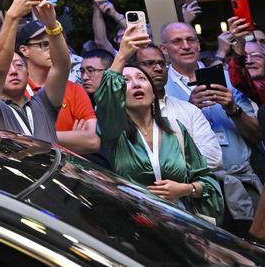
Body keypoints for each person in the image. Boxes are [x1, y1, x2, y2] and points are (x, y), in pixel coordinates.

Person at [94, 24, 223, 222]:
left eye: (141, 78)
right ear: (118, 94)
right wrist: (121, 55)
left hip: (184, 225)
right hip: (139, 227)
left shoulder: (175, 129)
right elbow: (105, 101)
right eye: (126, 81)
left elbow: (208, 182)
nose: (136, 83)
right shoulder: (115, 134)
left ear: (153, 91)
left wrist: (185, 189)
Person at [161, 21, 263, 232]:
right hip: (197, 189)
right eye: (177, 42)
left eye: (191, 40)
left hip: (242, 182)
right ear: (164, 49)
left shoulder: (228, 78)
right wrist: (189, 109)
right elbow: (159, 142)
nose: (186, 46)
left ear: (199, 45)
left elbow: (257, 135)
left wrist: (232, 108)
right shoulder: (162, 88)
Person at [0, 0, 69, 144]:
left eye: (19, 65)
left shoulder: (43, 104)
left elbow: (62, 67)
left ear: (27, 72)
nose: (13, 71)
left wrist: (52, 25)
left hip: (52, 170)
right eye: (8, 67)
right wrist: (12, 16)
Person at [16, 19, 100, 155]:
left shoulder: (74, 89)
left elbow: (93, 141)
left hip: (68, 173)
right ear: (24, 50)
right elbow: (13, 140)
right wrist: (72, 138)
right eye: (44, 44)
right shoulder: (14, 90)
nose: (53, 49)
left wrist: (34, 135)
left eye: (55, 43)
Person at [133, 45, 222, 171]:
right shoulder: (126, 112)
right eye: (149, 63)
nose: (158, 68)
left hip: (192, 187)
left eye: (162, 63)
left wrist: (162, 168)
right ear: (132, 69)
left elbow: (214, 158)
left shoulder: (188, 110)